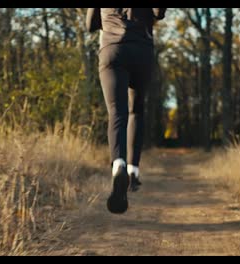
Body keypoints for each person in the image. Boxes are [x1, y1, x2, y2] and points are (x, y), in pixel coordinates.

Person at [86, 8, 167, 214]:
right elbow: (159, 12)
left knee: (116, 111)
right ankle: (133, 170)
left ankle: (118, 164)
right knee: (136, 110)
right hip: (142, 51)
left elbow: (90, 25)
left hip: (113, 50)